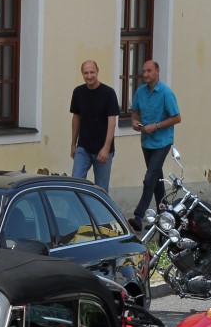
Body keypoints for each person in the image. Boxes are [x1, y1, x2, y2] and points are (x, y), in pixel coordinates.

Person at [129, 60, 182, 230]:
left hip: (162, 142)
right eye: (144, 71)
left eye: (149, 71)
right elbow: (135, 111)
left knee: (150, 177)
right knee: (157, 181)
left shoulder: (166, 93)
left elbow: (177, 118)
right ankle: (165, 216)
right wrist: (134, 122)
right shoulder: (140, 92)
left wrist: (157, 125)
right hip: (146, 141)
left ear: (157, 72)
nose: (145, 74)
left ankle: (139, 215)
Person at [69, 59, 119, 191]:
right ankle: (76, 212)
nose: (89, 76)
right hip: (83, 147)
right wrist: (73, 144)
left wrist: (106, 148)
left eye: (92, 72)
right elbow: (76, 118)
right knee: (75, 183)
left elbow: (112, 122)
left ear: (97, 72)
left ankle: (100, 212)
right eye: (86, 73)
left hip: (103, 149)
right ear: (82, 74)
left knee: (101, 189)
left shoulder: (108, 93)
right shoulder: (78, 92)